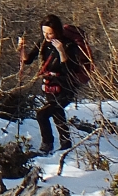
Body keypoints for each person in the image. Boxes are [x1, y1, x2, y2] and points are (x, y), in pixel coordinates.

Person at [17, 14, 81, 154]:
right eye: (44, 32)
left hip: (66, 87)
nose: (47, 36)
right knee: (57, 114)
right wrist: (22, 49)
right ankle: (65, 143)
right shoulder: (43, 43)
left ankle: (47, 144)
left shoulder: (69, 46)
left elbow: (69, 70)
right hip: (50, 86)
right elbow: (27, 60)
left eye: (50, 33)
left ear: (57, 31)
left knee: (42, 114)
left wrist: (61, 51)